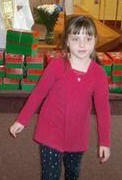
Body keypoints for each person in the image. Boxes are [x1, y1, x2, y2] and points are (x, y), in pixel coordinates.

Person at [10, 15, 111, 180]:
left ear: (95, 41)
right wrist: (22, 120)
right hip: (50, 131)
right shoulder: (57, 66)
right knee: (50, 176)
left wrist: (105, 141)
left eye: (88, 38)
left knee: (72, 173)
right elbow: (38, 94)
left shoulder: (98, 74)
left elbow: (103, 110)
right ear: (67, 42)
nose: (82, 44)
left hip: (77, 136)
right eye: (76, 38)